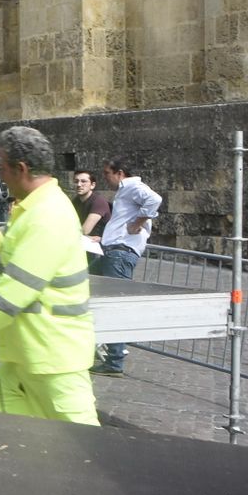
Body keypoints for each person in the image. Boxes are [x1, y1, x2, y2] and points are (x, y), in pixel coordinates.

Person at [0, 126, 98, 425]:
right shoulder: (36, 207)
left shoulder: (47, 216)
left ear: (21, 169)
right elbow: (12, 235)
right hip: (26, 355)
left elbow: (13, 295)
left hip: (53, 359)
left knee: (86, 450)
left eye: (2, 169)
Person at [89, 158, 164, 376]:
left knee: (115, 304)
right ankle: (102, 348)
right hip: (112, 251)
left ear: (119, 172)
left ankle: (114, 360)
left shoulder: (132, 187)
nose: (105, 177)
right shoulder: (125, 191)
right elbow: (121, 223)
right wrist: (103, 239)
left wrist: (137, 223)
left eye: (106, 173)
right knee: (90, 290)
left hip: (119, 255)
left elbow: (154, 199)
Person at [71, 169, 112, 270]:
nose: (79, 184)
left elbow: (85, 230)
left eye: (83, 181)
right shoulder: (75, 201)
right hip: (86, 248)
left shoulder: (98, 202)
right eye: (76, 181)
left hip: (102, 251)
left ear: (92, 185)